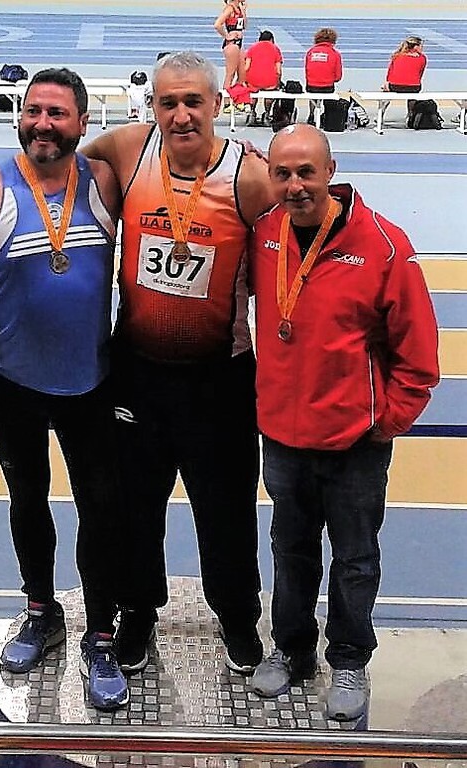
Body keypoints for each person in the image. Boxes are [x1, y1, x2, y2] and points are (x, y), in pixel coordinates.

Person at [0, 67, 129, 711]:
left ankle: (101, 632)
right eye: (33, 110)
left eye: (57, 114)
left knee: (101, 509)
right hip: (10, 380)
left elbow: (168, 146)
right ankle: (41, 610)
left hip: (91, 382)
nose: (43, 123)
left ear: (82, 123)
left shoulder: (105, 184)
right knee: (28, 500)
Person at [81, 51, 274, 676]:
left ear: (217, 103)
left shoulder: (249, 176)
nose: (182, 115)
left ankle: (237, 616)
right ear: (153, 107)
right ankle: (138, 611)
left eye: (193, 101)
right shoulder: (129, 149)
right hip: (137, 372)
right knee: (136, 507)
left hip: (219, 377)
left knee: (227, 508)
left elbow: (300, 225)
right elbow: (62, 160)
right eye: (169, 103)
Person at [250, 124, 439, 721]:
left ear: (331, 172)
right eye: (283, 173)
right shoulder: (265, 233)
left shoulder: (383, 245)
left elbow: (418, 353)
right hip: (283, 436)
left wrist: (387, 419)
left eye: (307, 172)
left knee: (355, 557)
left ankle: (350, 658)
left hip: (355, 440)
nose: (295, 185)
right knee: (290, 549)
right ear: (270, 177)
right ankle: (292, 649)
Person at [383, 36, 427, 125]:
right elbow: (420, 74)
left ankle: (380, 114)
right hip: (414, 87)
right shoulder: (422, 58)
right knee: (412, 94)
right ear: (416, 47)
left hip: (395, 86)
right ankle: (410, 116)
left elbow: (390, 72)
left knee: (386, 93)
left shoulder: (397, 55)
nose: (422, 48)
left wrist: (387, 83)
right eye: (421, 46)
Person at [243, 30, 283, 126]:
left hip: (253, 80)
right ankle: (267, 114)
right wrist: (278, 82)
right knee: (270, 92)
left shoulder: (252, 48)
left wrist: (245, 81)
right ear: (271, 39)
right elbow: (278, 70)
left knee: (252, 91)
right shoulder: (275, 49)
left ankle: (252, 112)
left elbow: (246, 67)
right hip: (270, 81)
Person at [304, 28, 343, 124]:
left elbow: (307, 70)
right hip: (327, 86)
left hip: (312, 85)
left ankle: (311, 114)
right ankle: (326, 117)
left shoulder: (310, 52)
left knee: (312, 94)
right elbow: (338, 76)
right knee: (328, 96)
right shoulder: (335, 54)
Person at [214, 0, 247, 98]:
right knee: (230, 74)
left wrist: (243, 11)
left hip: (239, 42)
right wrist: (227, 36)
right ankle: (226, 102)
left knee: (242, 74)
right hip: (232, 43)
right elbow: (217, 24)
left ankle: (237, 98)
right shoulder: (230, 9)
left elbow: (244, 26)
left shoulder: (239, 9)